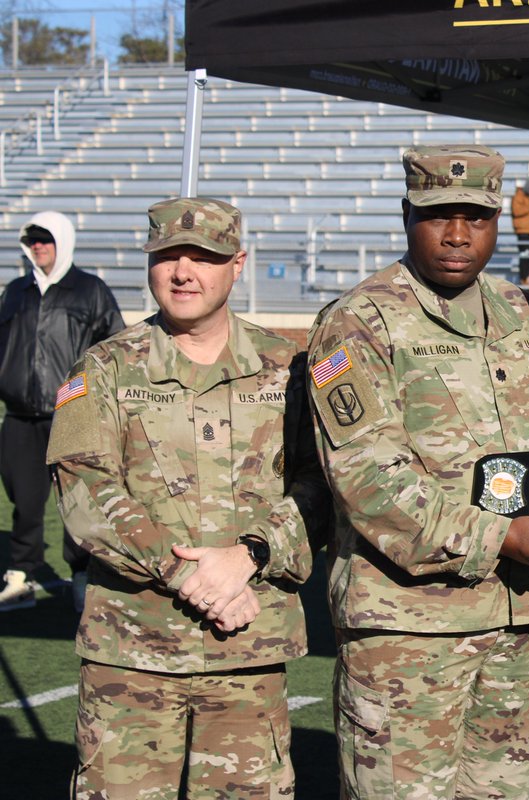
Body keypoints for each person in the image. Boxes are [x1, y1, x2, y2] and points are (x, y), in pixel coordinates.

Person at [307, 144, 529, 800]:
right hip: (407, 629)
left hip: (512, 621)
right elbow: (369, 481)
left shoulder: (520, 312)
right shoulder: (356, 323)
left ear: (497, 222)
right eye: (438, 215)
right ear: (408, 215)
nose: (457, 234)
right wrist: (503, 538)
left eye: (476, 217)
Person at [46, 197, 329, 797]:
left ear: (238, 264)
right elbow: (83, 491)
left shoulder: (294, 368)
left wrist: (250, 555)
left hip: (248, 651)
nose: (182, 272)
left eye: (204, 256)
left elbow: (325, 484)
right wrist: (187, 574)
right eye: (166, 256)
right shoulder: (100, 369)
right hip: (132, 652)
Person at [0, 211, 124, 612]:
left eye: (45, 238)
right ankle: (21, 575)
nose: (38, 246)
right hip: (19, 414)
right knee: (24, 499)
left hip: (71, 414)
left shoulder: (89, 290)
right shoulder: (16, 291)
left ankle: (85, 575)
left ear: (62, 241)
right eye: (32, 239)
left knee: (78, 498)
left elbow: (114, 345)